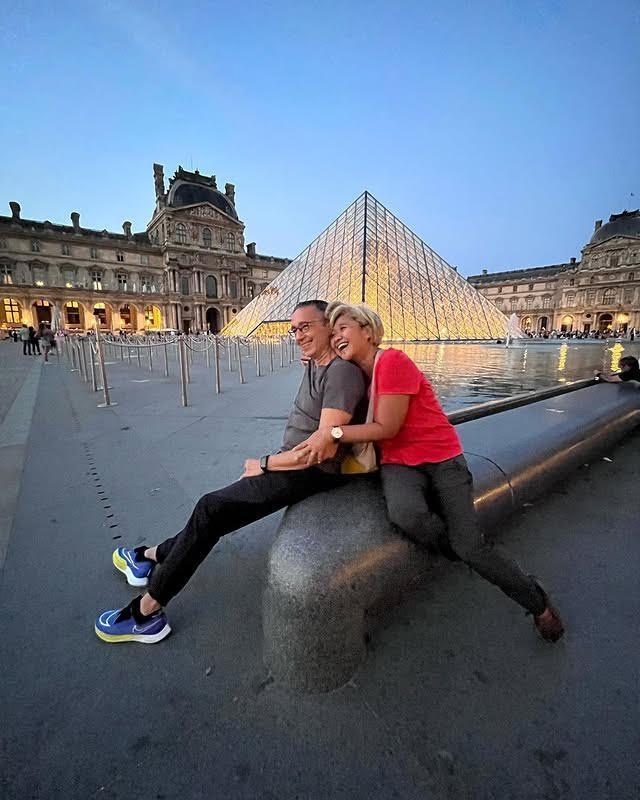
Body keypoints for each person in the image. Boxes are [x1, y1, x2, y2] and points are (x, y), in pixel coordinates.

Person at [94, 300, 368, 644]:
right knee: (216, 514)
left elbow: (322, 450)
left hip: (312, 471)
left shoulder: (341, 373)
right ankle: (152, 555)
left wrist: (264, 464)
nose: (298, 335)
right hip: (291, 461)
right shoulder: (318, 362)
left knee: (211, 508)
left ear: (329, 325)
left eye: (306, 327)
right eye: (294, 329)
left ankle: (147, 612)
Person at [295, 302, 565, 643]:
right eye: (332, 333)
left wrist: (332, 433)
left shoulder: (393, 361)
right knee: (407, 515)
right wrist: (317, 362)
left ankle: (536, 601)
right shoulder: (353, 371)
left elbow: (387, 427)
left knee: (471, 546)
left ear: (368, 331)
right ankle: (466, 553)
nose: (336, 337)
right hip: (398, 461)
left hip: (441, 458)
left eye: (343, 329)